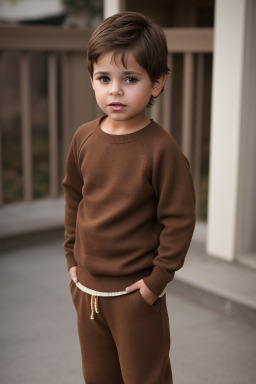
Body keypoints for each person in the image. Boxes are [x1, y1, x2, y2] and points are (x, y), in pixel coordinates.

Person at [62, 11, 196, 384]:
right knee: (98, 376)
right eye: (104, 78)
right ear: (91, 79)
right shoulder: (84, 138)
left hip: (135, 295)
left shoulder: (161, 150)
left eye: (130, 79)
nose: (115, 90)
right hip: (86, 288)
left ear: (156, 83)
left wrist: (157, 281)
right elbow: (75, 196)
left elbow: (179, 220)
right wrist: (72, 256)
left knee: (144, 377)